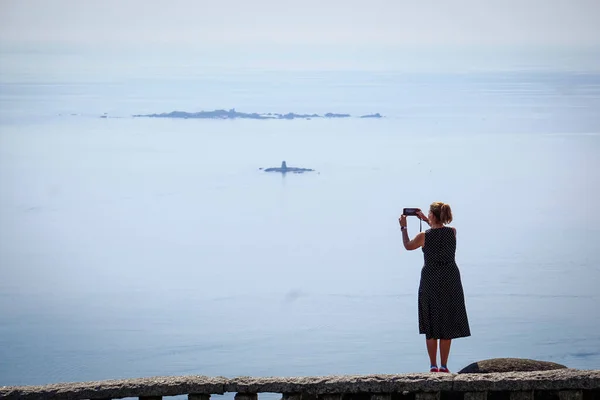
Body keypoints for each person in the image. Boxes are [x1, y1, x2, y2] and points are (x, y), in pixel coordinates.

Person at [399, 202, 470, 373]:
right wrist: (425, 218)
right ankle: (444, 366)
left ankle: (433, 366)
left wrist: (403, 228)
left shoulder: (424, 236)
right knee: (447, 321)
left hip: (431, 279)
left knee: (431, 321)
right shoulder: (452, 232)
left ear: (432, 215)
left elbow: (408, 245)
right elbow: (439, 231)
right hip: (450, 278)